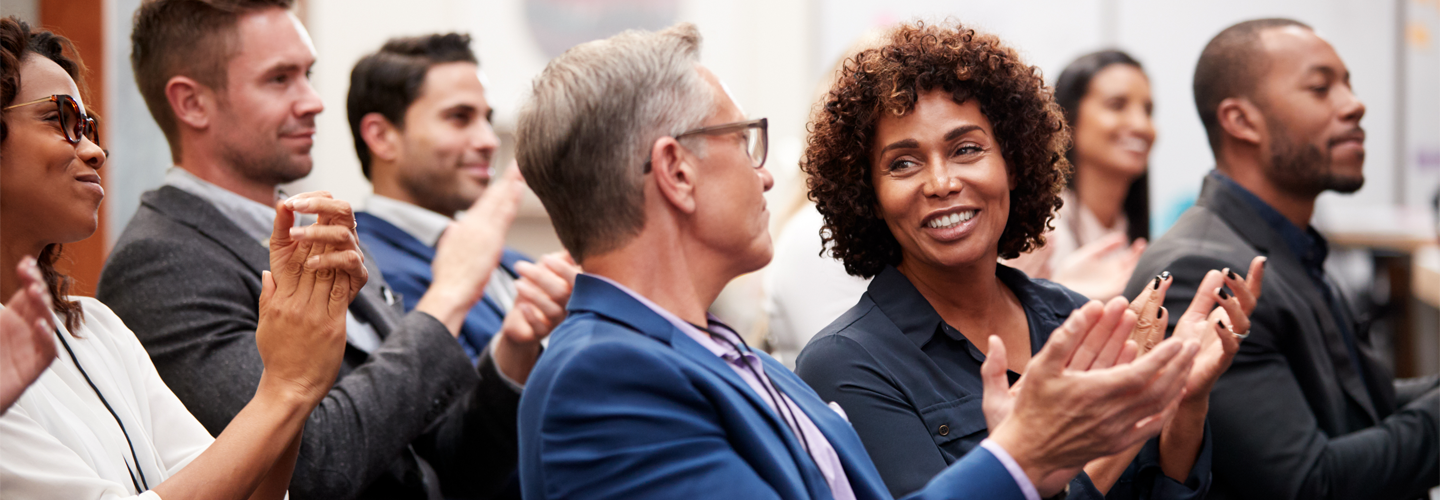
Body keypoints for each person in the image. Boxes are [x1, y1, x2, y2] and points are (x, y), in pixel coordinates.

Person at [513, 22, 1211, 500]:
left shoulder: (716, 352)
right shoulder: (608, 377)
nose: (764, 178)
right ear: (677, 171)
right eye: (743, 141)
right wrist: (1026, 455)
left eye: (968, 149)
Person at [97, 1, 559, 498]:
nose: (313, 101)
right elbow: (312, 469)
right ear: (192, 103)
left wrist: (514, 348)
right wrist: (447, 297)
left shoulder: (314, 226)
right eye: (280, 79)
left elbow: (435, 460)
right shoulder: (160, 264)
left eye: (308, 74)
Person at [794, 21, 1262, 499]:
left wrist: (1183, 402)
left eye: (967, 149)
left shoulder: (1076, 318)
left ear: (1013, 163)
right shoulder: (846, 364)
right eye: (903, 163)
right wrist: (1128, 428)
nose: (940, 182)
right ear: (870, 196)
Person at [0, 17, 366, 498]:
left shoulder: (97, 328)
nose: (95, 151)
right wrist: (286, 387)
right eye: (60, 119)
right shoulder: (154, 263)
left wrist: (295, 352)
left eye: (88, 125)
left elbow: (246, 491)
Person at [1124, 18, 1440, 500]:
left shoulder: (1283, 245)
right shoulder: (1205, 273)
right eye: (1320, 88)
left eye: (1348, 84)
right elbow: (1309, 483)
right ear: (1241, 120)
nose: (1354, 105)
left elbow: (1355, 404)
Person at [347, 32, 578, 366]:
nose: (488, 140)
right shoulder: (362, 268)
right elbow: (444, 409)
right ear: (382, 137)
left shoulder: (511, 261)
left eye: (487, 117)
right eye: (459, 117)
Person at [1006, 50, 1153, 300]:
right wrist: (1060, 294)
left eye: (1148, 110)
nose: (1141, 125)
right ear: (1066, 119)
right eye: (1117, 105)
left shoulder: (1131, 232)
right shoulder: (1039, 232)